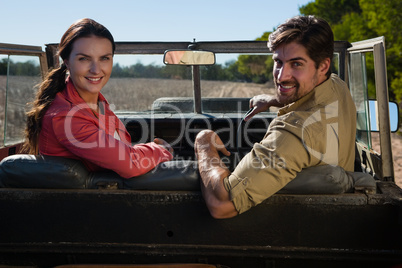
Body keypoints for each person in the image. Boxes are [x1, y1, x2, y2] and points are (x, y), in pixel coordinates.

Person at [194, 15, 357, 219]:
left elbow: (222, 203)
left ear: (322, 66)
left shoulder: (291, 134)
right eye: (278, 62)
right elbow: (312, 98)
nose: (281, 76)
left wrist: (203, 143)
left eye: (296, 64)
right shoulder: (337, 86)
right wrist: (274, 100)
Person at [22, 18, 173, 179]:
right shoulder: (66, 117)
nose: (96, 69)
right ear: (67, 62)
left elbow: (117, 149)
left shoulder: (98, 104)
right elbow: (130, 163)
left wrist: (146, 150)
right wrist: (162, 150)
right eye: (84, 59)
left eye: (104, 58)